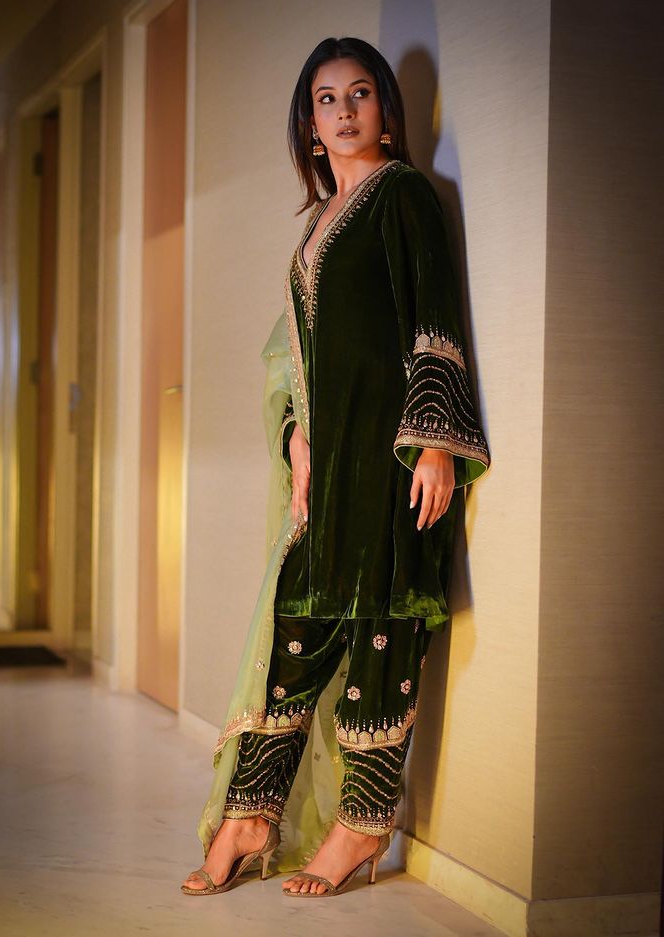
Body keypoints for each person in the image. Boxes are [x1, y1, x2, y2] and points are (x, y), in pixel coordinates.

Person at [181, 36, 491, 898]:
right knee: (297, 633)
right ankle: (251, 815)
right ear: (309, 125)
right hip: (328, 466)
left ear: (386, 110)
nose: (345, 110)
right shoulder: (318, 223)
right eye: (326, 98)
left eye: (360, 93)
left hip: (390, 456)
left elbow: (433, 317)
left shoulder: (405, 196)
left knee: (383, 630)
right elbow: (296, 354)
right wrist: (296, 436)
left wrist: (435, 442)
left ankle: (360, 823)